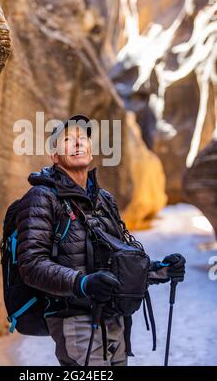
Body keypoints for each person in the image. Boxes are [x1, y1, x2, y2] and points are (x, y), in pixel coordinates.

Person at [16, 114, 186, 366]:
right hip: (75, 322)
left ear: (91, 151)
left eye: (82, 138)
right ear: (54, 156)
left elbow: (120, 263)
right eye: (67, 140)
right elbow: (31, 265)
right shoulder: (41, 198)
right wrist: (82, 283)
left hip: (114, 321)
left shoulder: (104, 200)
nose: (77, 144)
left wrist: (161, 271)